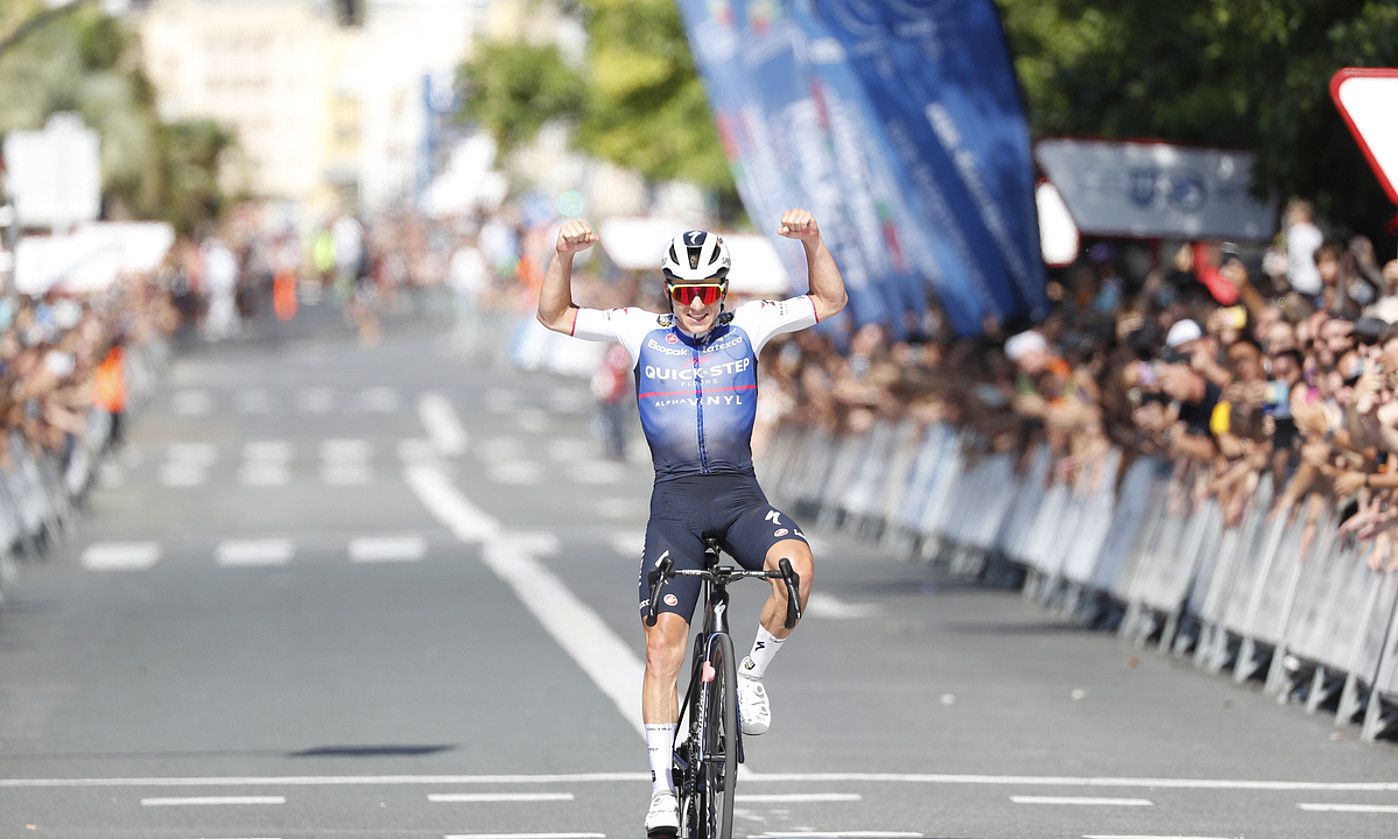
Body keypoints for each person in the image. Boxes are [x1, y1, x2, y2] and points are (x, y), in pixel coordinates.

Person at [536, 209, 847, 836]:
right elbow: (553, 315)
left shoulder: (751, 326)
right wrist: (562, 255)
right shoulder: (638, 331)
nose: (696, 305)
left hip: (738, 495)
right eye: (685, 293)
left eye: (707, 293)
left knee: (798, 568)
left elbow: (830, 298)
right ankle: (660, 791)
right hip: (674, 505)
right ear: (671, 292)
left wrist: (812, 241)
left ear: (722, 291)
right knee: (662, 647)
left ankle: (752, 675)